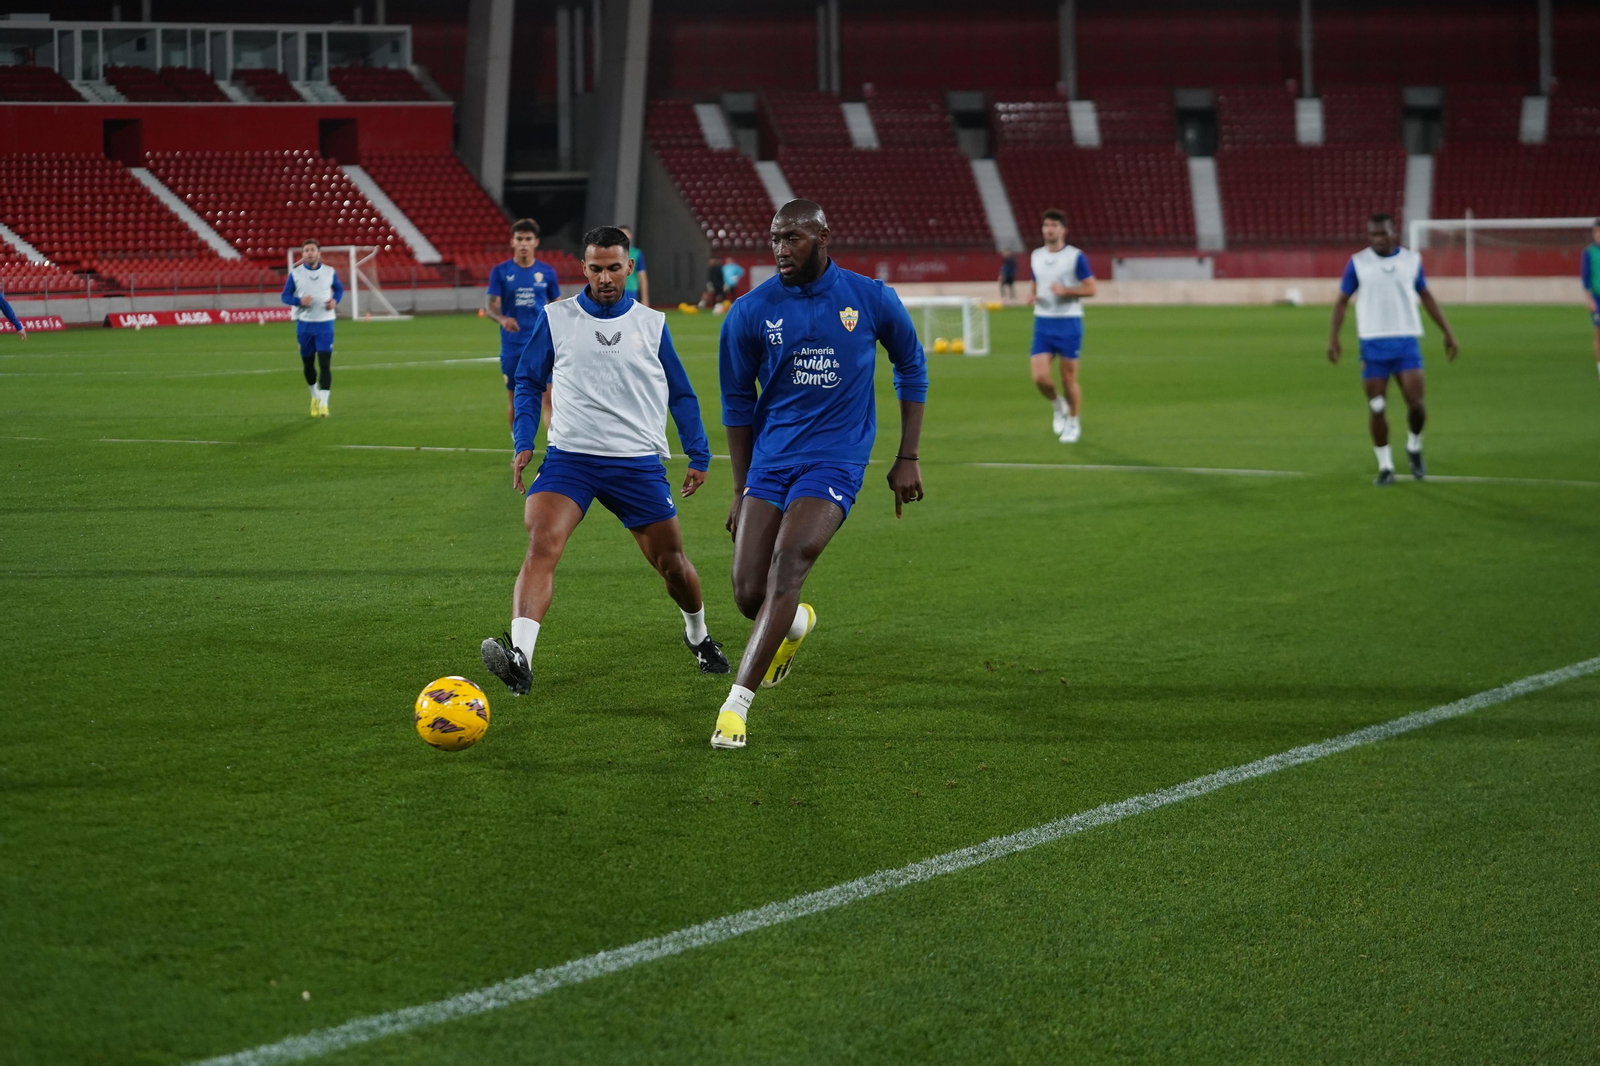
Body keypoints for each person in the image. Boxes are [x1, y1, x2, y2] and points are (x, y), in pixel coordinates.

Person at [711, 199, 927, 750]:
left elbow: (911, 365)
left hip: (836, 458)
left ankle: (736, 706)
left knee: (789, 564)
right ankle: (793, 624)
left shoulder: (871, 299)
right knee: (746, 592)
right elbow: (737, 405)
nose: (781, 249)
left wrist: (908, 455)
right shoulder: (749, 312)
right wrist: (740, 490)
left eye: (794, 238)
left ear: (824, 236)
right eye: (775, 238)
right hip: (772, 459)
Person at [480, 225, 728, 695]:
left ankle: (698, 636)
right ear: (584, 268)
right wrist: (523, 440)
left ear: (629, 267)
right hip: (570, 460)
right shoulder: (558, 317)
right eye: (596, 268)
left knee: (672, 564)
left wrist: (698, 452)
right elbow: (529, 380)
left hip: (636, 464)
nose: (606, 277)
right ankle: (521, 658)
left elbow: (681, 393)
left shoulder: (652, 324)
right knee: (541, 543)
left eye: (615, 267)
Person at [1327, 213, 1459, 485]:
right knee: (1376, 407)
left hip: (1406, 342)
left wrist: (1447, 332)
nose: (1377, 239)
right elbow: (1341, 301)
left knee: (1416, 406)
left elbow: (1425, 295)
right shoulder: (1359, 263)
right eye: (1373, 234)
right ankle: (1385, 466)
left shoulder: (1410, 261)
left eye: (1382, 234)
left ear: (1393, 233)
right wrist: (1334, 338)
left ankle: (1414, 445)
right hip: (1373, 345)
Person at [486, 218, 562, 434]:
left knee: (548, 398)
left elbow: (557, 305)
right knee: (516, 400)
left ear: (536, 242)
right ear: (512, 242)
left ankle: (553, 449)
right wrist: (502, 319)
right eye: (519, 238)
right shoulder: (500, 272)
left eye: (528, 239)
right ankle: (518, 448)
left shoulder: (547, 272)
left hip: (541, 344)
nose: (523, 243)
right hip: (513, 346)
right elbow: (491, 305)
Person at [1028, 209, 1096, 443]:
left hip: (1069, 322)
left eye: (1054, 225)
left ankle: (1073, 422)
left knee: (1068, 379)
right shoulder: (1035, 255)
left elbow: (1091, 288)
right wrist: (1033, 294)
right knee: (1039, 378)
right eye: (1046, 225)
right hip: (1043, 322)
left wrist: (1066, 291)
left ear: (1063, 230)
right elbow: (1036, 280)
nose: (1049, 229)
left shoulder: (1076, 257)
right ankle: (1058, 405)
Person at [280, 239, 343, 418]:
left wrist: (335, 301)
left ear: (318, 253)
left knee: (324, 364)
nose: (309, 253)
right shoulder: (296, 273)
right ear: (302, 255)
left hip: (325, 323)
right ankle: (314, 396)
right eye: (306, 250)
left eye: (312, 250)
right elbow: (285, 296)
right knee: (308, 364)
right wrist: (299, 301)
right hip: (304, 324)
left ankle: (324, 404)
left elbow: (338, 289)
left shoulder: (329, 272)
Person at [1582, 219, 1600, 380]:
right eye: (1596, 232)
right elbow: (1585, 279)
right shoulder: (1589, 253)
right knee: (1599, 333)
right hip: (1597, 298)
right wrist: (1588, 298)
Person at [619, 225, 650, 307]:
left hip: (631, 291)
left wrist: (645, 298)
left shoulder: (636, 254)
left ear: (630, 236)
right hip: (615, 290)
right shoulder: (611, 254)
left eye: (626, 234)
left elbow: (642, 276)